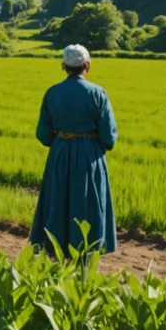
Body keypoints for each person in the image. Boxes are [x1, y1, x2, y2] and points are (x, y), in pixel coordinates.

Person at [30, 45, 118, 256]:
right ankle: (86, 250)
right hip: (89, 154)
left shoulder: (52, 93)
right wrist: (96, 145)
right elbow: (108, 135)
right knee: (87, 202)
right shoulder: (98, 93)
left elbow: (43, 133)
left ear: (64, 66)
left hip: (60, 151)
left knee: (58, 200)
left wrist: (61, 143)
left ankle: (55, 248)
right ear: (86, 65)